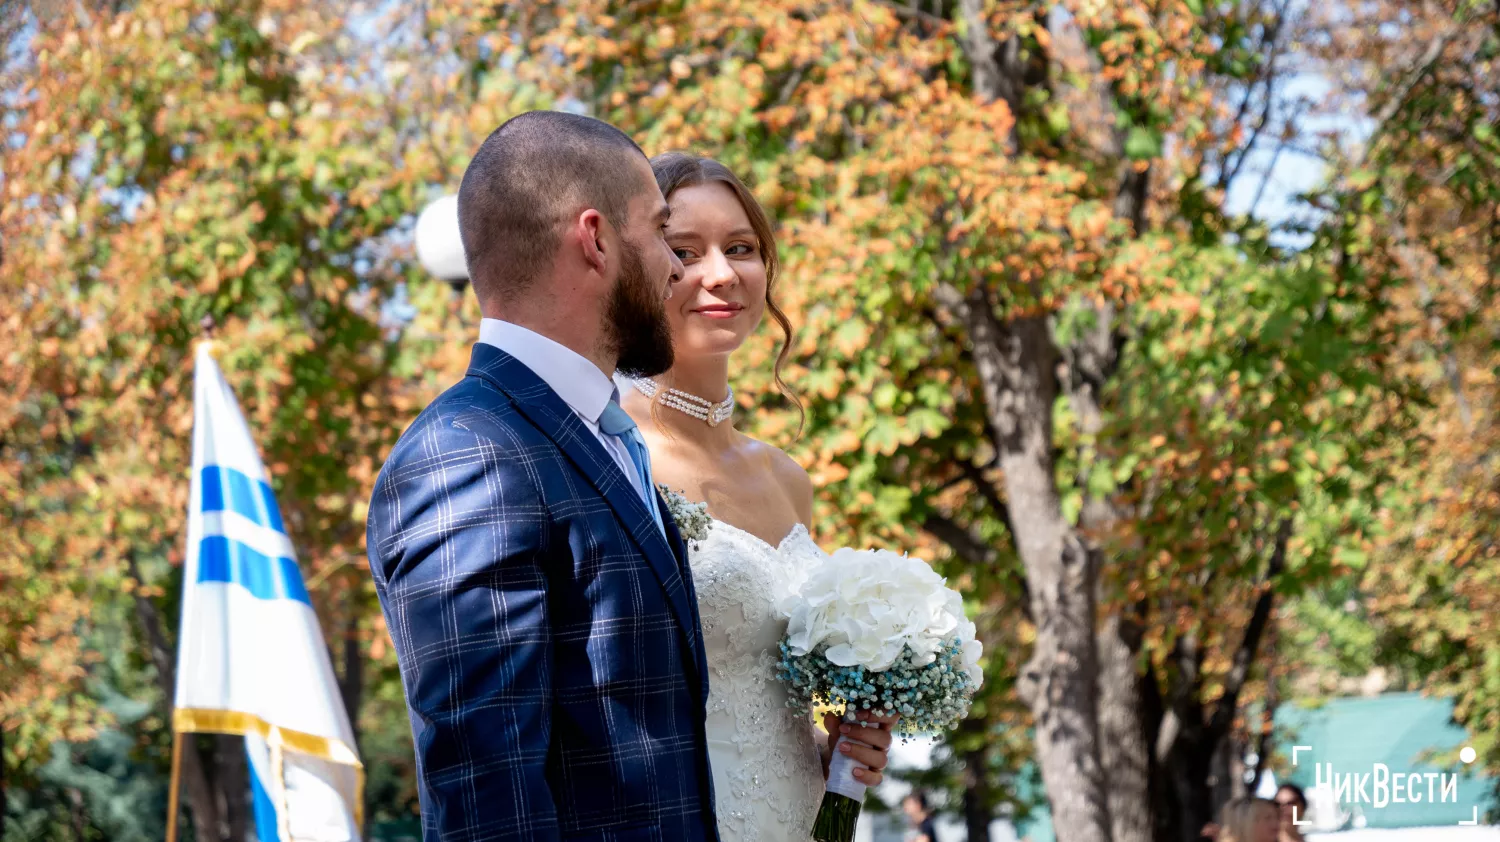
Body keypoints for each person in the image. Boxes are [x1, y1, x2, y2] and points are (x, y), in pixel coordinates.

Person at [366, 111, 715, 841]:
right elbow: (487, 802)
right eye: (659, 233)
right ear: (594, 239)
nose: (677, 268)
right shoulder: (469, 454)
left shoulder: (604, 437)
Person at [620, 152, 895, 841]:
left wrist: (843, 760)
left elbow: (785, 709)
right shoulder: (616, 455)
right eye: (685, 251)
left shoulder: (785, 478)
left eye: (740, 248)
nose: (721, 273)